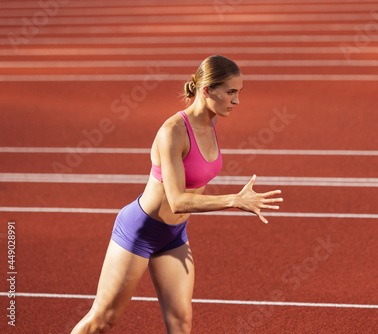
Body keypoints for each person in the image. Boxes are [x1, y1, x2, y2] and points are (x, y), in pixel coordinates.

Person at [71, 55, 283, 334]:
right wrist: (233, 200)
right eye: (231, 92)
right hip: (139, 231)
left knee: (180, 322)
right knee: (103, 320)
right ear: (206, 90)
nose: (237, 100)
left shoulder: (210, 123)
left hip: (174, 235)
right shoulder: (172, 132)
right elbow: (178, 200)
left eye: (239, 93)